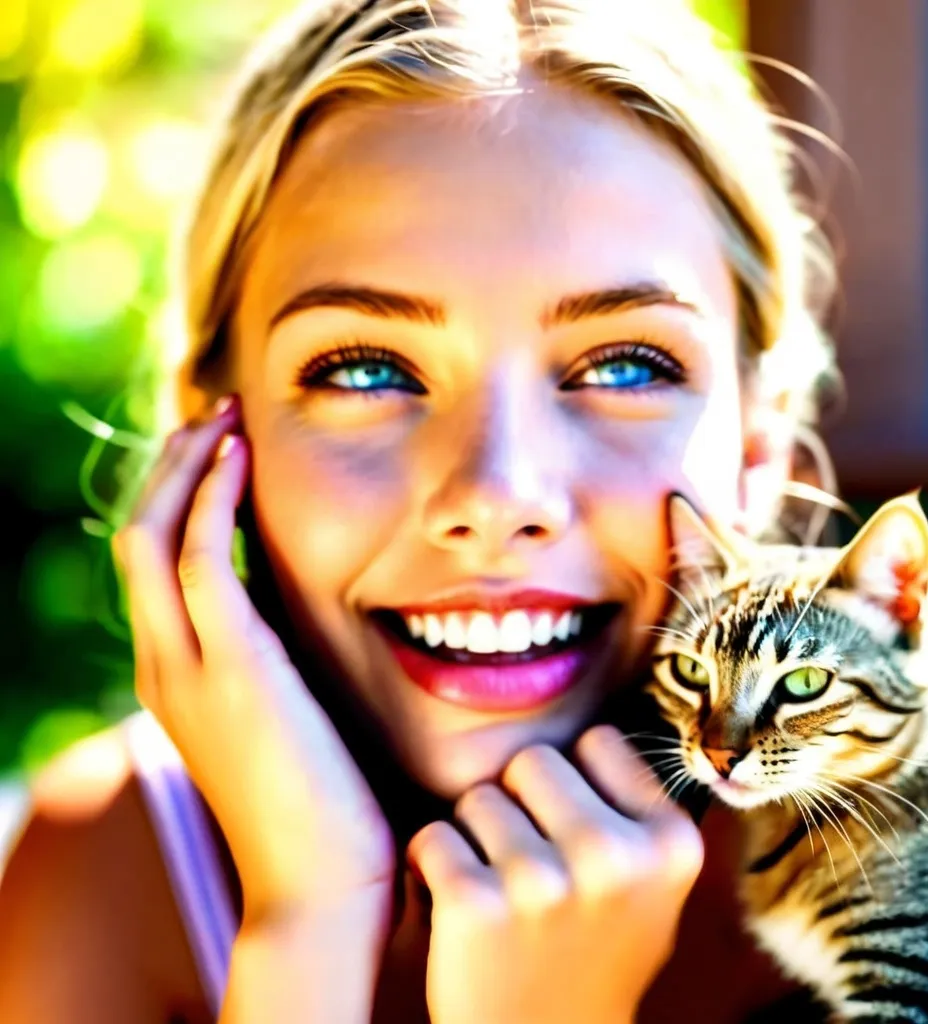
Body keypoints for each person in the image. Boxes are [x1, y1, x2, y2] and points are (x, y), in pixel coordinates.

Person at [0, 1, 838, 1020]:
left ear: (757, 448)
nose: (494, 497)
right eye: (364, 369)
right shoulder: (120, 866)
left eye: (624, 362)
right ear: (217, 436)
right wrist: (304, 925)